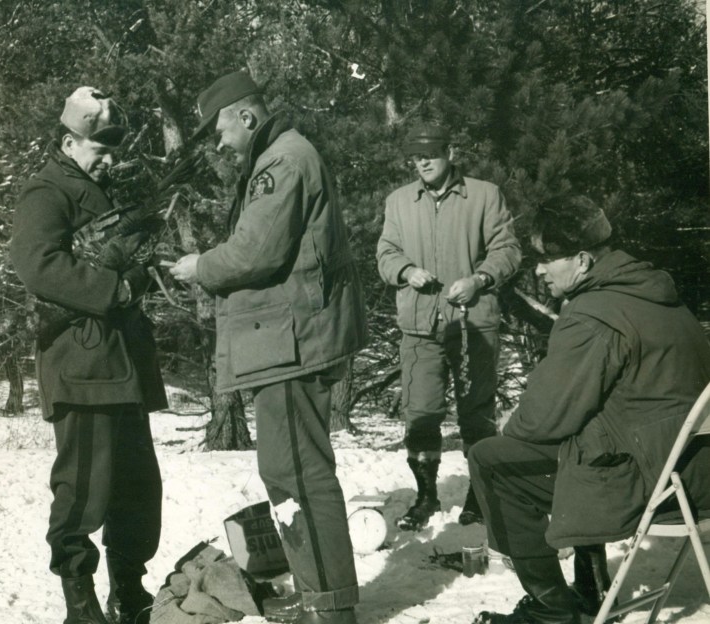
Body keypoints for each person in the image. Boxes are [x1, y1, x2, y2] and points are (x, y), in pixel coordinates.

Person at [169, 70, 366, 624]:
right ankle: (319, 595)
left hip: (293, 342)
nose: (218, 143)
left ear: (246, 116)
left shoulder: (283, 161)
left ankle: (330, 609)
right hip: (286, 340)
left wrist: (200, 266)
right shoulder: (278, 157)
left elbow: (255, 252)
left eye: (219, 130)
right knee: (290, 470)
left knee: (298, 473)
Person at [468, 196, 710, 624]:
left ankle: (551, 612)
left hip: (652, 483)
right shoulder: (655, 294)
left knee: (491, 461)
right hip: (694, 472)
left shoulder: (593, 315)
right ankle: (591, 588)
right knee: (582, 435)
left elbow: (541, 420)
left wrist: (513, 422)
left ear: (582, 260)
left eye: (547, 259)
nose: (539, 271)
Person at [10, 86, 167, 624]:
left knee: (137, 488)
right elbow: (36, 263)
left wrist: (140, 272)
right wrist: (113, 289)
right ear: (68, 142)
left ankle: (129, 591)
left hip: (120, 364)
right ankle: (80, 606)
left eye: (113, 151)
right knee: (83, 490)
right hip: (82, 366)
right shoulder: (46, 191)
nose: (110, 161)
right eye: (100, 150)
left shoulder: (98, 189)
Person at [376, 123, 521, 530]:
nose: (422, 162)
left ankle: (480, 496)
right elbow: (385, 252)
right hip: (420, 325)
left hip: (473, 323)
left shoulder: (484, 195)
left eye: (430, 154)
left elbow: (508, 249)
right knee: (420, 413)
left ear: (450, 153)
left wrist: (480, 279)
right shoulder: (399, 201)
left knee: (477, 414)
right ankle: (426, 496)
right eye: (416, 157)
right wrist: (406, 271)